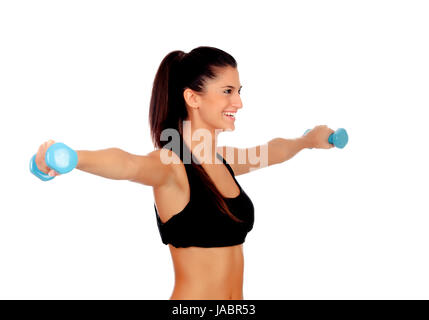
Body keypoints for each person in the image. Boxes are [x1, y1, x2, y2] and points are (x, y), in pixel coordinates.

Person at [35, 46, 335, 300]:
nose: (239, 102)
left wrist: (307, 140)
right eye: (227, 91)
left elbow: (273, 151)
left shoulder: (222, 161)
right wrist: (73, 158)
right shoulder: (171, 165)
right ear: (193, 98)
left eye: (239, 91)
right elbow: (128, 164)